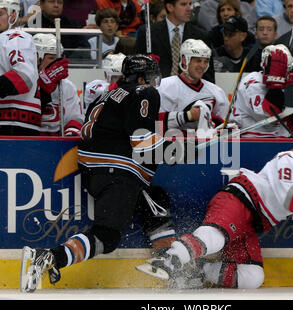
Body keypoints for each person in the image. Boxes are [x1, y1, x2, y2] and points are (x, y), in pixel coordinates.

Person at [20, 54, 178, 293]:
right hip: (117, 170)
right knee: (107, 236)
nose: (156, 82)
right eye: (153, 76)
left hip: (96, 171)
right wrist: (178, 151)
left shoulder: (106, 95)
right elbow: (141, 140)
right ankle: (49, 257)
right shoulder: (145, 91)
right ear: (143, 77)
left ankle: (168, 261)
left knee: (155, 199)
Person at [136, 139, 293, 289]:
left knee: (252, 277)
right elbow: (287, 195)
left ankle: (197, 271)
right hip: (240, 199)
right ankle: (169, 258)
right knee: (217, 237)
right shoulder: (289, 160)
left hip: (251, 224)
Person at [231, 44, 293, 138]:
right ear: (265, 65)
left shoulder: (290, 83)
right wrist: (276, 84)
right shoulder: (252, 81)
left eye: (285, 68)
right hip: (252, 139)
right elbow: (267, 118)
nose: (283, 71)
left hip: (282, 140)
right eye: (276, 66)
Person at [158, 39, 230, 138]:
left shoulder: (216, 91)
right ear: (184, 60)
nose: (203, 66)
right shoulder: (164, 87)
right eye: (198, 61)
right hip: (172, 148)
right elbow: (156, 124)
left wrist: (216, 126)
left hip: (205, 148)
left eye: (205, 61)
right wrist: (188, 116)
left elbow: (224, 125)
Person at [135, 0, 215, 83]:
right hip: (157, 89)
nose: (189, 8)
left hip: (189, 90)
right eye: (183, 4)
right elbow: (138, 67)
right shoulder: (148, 33)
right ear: (170, 7)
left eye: (190, 4)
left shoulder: (200, 35)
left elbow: (208, 74)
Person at [0, 0, 40, 136]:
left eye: (0, 14)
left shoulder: (15, 37)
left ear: (13, 15)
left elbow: (24, 76)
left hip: (14, 122)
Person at [34, 33, 84, 136]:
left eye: (59, 59)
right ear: (37, 58)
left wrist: (71, 132)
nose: (56, 63)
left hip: (56, 144)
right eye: (51, 58)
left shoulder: (67, 86)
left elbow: (75, 118)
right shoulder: (27, 82)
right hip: (30, 141)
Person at [26, 0, 90, 59]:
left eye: (59, 2)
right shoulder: (32, 25)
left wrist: (65, 60)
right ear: (42, 5)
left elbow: (84, 47)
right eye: (51, 1)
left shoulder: (72, 24)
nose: (56, 5)